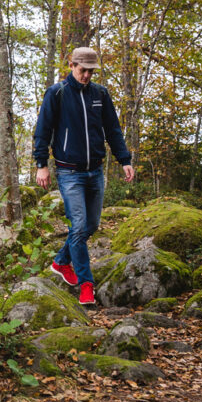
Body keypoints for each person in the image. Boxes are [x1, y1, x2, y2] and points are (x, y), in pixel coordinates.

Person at [32, 46, 135, 307]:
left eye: (91, 71)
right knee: (78, 227)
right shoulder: (57, 93)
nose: (87, 75)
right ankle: (86, 284)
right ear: (71, 65)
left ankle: (60, 261)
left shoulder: (100, 94)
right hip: (69, 172)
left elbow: (113, 129)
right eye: (83, 70)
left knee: (91, 226)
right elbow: (43, 130)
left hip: (95, 170)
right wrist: (41, 164)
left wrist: (124, 160)